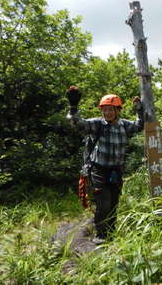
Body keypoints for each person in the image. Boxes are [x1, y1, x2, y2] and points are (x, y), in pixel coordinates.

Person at [66, 86, 144, 244]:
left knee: (114, 202)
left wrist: (139, 109)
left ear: (117, 110)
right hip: (99, 169)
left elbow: (139, 125)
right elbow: (78, 123)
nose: (107, 113)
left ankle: (111, 232)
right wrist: (73, 107)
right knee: (104, 202)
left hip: (116, 170)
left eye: (110, 110)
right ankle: (101, 235)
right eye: (104, 110)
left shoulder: (124, 125)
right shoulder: (97, 124)